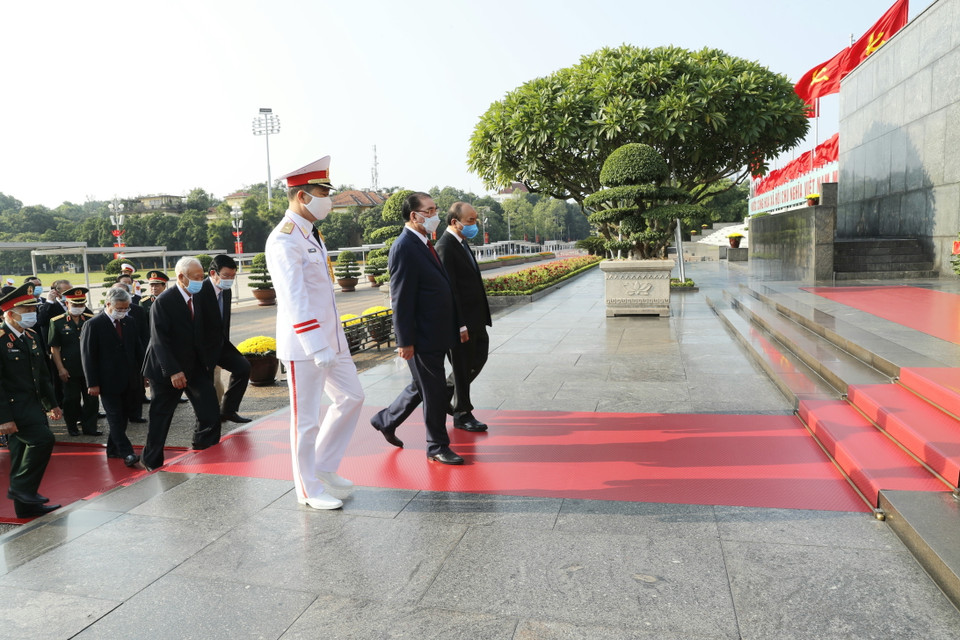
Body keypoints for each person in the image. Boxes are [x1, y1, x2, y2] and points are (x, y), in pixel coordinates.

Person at [265, 155, 364, 510]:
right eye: (323, 193)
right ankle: (307, 490)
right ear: (302, 196)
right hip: (306, 347)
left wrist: (332, 342)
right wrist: (315, 343)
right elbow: (294, 298)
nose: (329, 200)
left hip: (332, 343)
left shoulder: (310, 235)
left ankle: (323, 465)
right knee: (305, 421)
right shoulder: (284, 240)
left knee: (352, 397)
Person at [370, 192, 464, 465]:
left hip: (435, 332)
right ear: (415, 215)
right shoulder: (404, 247)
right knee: (433, 391)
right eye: (431, 210)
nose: (436, 215)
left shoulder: (423, 242)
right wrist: (405, 340)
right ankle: (436, 446)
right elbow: (400, 297)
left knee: (423, 385)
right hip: (421, 336)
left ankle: (385, 420)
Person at [140, 256, 220, 470]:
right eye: (196, 277)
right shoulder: (164, 302)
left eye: (202, 277)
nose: (200, 281)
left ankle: (205, 451)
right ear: (181, 277)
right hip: (166, 368)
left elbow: (207, 329)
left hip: (195, 366)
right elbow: (159, 341)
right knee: (161, 417)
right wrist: (174, 371)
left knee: (210, 411)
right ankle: (151, 460)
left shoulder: (201, 295)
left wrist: (209, 361)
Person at [0, 284, 62, 518]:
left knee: (19, 452)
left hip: (32, 405)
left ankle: (25, 506)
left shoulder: (32, 336)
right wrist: (3, 418)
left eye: (33, 309)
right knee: (43, 439)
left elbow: (43, 376)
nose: (31, 314)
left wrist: (52, 404)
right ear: (9, 313)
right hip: (12, 407)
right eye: (26, 309)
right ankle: (21, 489)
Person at [435, 202, 492, 432]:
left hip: (475, 318)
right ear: (454, 222)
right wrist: (459, 324)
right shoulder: (445, 246)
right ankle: (462, 413)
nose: (474, 225)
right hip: (462, 322)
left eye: (475, 219)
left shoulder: (462, 243)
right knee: (461, 367)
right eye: (470, 221)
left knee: (477, 359)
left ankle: (445, 395)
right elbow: (450, 290)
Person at [80, 287, 143, 467]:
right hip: (107, 382)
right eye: (119, 308)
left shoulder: (129, 322)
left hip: (129, 379)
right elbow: (88, 356)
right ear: (108, 304)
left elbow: (137, 350)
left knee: (122, 418)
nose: (123, 312)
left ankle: (113, 449)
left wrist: (144, 374)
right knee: (115, 417)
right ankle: (127, 453)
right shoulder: (93, 324)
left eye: (126, 308)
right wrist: (92, 383)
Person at [197, 254, 251, 424]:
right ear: (213, 273)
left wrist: (224, 345)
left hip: (220, 344)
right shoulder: (200, 291)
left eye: (233, 276)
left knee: (243, 367)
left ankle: (228, 410)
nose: (229, 280)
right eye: (226, 276)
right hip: (203, 347)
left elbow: (224, 321)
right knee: (206, 386)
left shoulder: (226, 291)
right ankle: (206, 421)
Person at [48, 287, 101, 436]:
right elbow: (55, 348)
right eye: (75, 304)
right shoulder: (57, 322)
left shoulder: (91, 318)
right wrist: (60, 369)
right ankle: (72, 426)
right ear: (67, 303)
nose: (78, 308)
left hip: (89, 368)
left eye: (81, 304)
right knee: (71, 399)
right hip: (69, 368)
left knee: (92, 399)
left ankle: (90, 427)